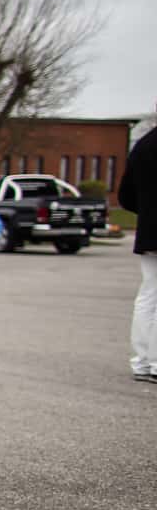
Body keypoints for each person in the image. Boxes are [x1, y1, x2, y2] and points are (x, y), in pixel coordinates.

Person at [120, 111, 157, 382]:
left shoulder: (142, 146)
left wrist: (147, 213)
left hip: (149, 232)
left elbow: (126, 196)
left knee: (148, 295)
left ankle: (143, 360)